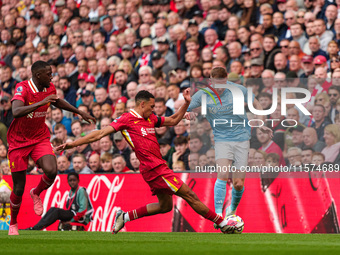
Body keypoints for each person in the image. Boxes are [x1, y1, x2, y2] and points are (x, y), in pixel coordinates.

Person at [56, 89, 233, 234]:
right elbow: (100, 133)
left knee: (165, 206)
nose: (153, 109)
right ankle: (222, 223)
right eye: (151, 106)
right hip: (154, 168)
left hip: (157, 166)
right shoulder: (127, 119)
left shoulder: (150, 118)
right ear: (142, 104)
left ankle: (124, 217)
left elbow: (172, 120)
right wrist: (73, 143)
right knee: (190, 195)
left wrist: (186, 102)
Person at [7, 61, 95, 235]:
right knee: (18, 187)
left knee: (52, 170)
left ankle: (36, 192)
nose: (52, 77)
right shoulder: (22, 88)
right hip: (18, 142)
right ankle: (13, 223)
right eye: (49, 74)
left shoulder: (50, 88)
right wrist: (42, 103)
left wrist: (79, 112)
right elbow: (16, 111)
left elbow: (58, 102)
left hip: (39, 137)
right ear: (38, 75)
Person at [185, 67, 273, 221]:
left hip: (242, 139)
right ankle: (218, 215)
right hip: (221, 139)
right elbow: (186, 107)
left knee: (238, 184)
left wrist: (260, 123)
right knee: (223, 174)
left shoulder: (239, 90)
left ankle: (231, 210)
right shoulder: (203, 94)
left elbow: (257, 105)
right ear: (210, 81)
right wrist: (189, 112)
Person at [26, 172, 93, 231]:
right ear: (68, 182)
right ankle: (37, 227)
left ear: (78, 180)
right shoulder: (71, 192)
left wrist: (71, 221)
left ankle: (36, 228)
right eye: (70, 180)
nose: (72, 182)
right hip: (74, 214)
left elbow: (83, 210)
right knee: (53, 209)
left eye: (74, 180)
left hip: (81, 218)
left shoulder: (81, 191)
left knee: (57, 212)